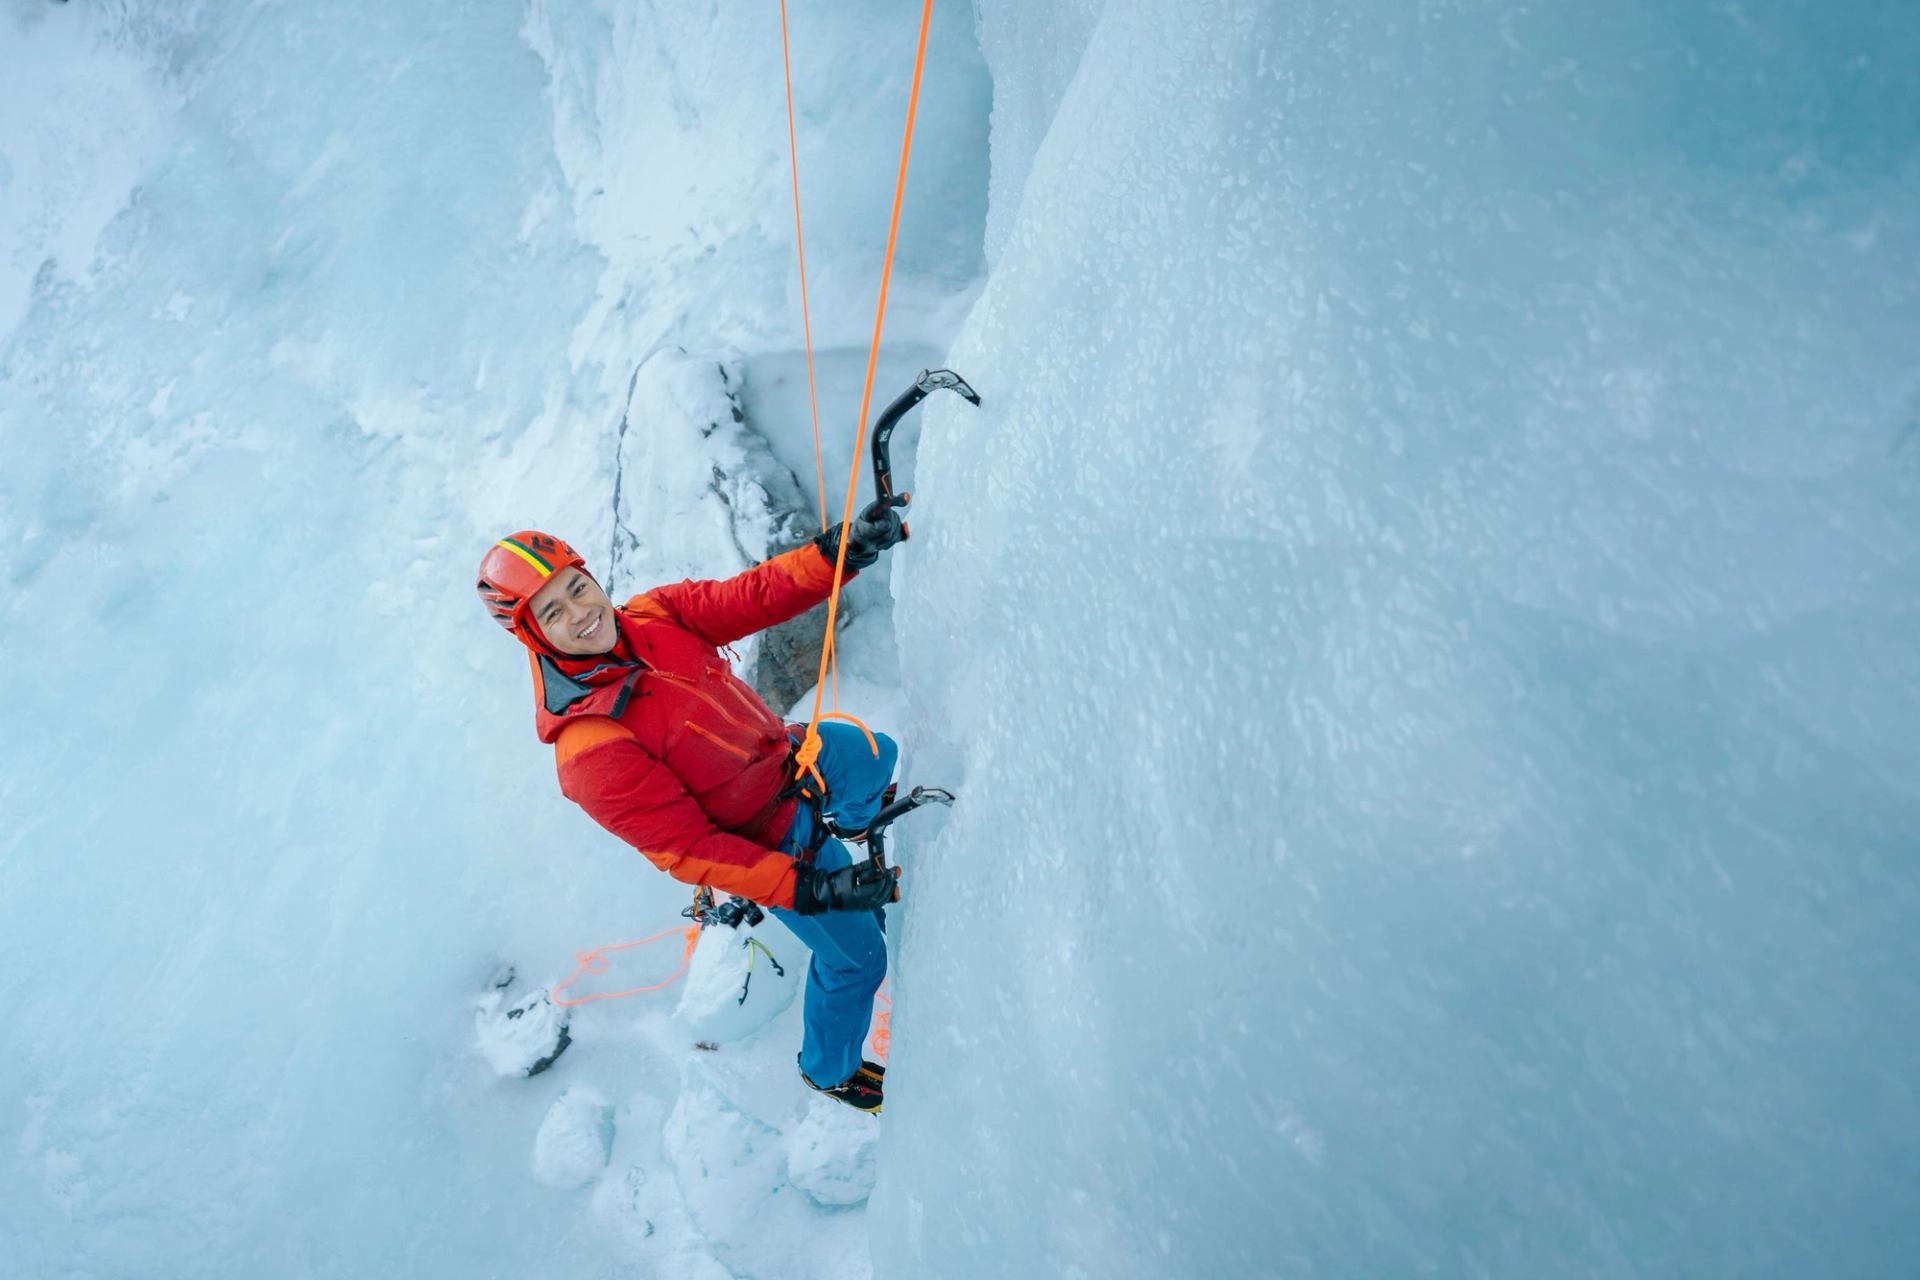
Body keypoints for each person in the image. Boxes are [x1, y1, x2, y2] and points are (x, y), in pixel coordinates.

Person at [475, 513, 907, 1112]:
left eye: (577, 586)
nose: (580, 613)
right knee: (860, 959)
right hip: (769, 845)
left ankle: (855, 818)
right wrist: (811, 889)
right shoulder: (590, 750)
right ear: (532, 636)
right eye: (552, 613)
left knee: (874, 755)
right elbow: (690, 850)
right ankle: (828, 1068)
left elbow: (750, 597)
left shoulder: (653, 616)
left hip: (788, 760)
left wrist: (839, 553)